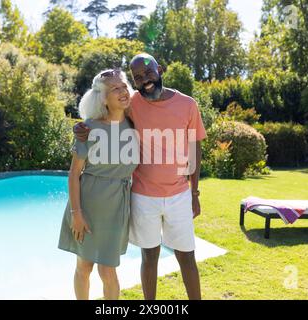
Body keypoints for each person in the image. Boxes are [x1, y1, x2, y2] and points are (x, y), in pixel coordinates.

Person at [74, 53, 207, 300]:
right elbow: (105, 113)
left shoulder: (188, 104)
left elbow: (194, 147)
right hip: (144, 196)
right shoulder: (132, 103)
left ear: (161, 70)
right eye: (138, 77)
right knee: (149, 257)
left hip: (179, 194)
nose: (145, 80)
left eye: (149, 73)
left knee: (187, 257)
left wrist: (194, 192)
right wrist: (82, 125)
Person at [58, 69, 139, 300]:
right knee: (84, 266)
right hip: (87, 205)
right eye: (116, 88)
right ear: (103, 97)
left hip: (117, 206)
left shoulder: (136, 124)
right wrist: (76, 214)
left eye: (124, 86)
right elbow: (75, 174)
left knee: (108, 269)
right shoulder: (89, 128)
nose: (123, 91)